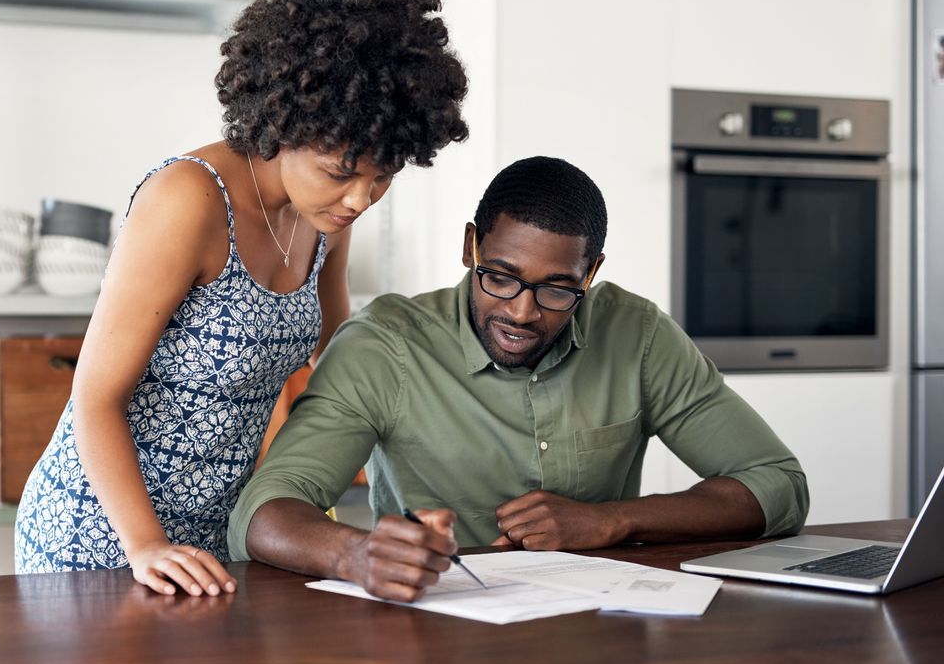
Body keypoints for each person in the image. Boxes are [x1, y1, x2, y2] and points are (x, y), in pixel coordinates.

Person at [14, 0, 469, 597]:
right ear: (283, 125)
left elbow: (340, 366)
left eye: (383, 174)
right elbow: (93, 398)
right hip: (102, 532)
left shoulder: (326, 214)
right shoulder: (189, 200)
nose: (363, 197)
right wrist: (145, 544)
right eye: (342, 171)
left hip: (217, 537)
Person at [228, 156, 809, 602]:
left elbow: (778, 485)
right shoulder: (386, 345)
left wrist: (612, 520)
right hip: (434, 630)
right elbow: (264, 512)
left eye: (557, 287)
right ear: (470, 246)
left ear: (592, 272)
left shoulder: (637, 335)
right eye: (501, 277)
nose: (524, 312)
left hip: (600, 626)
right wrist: (356, 555)